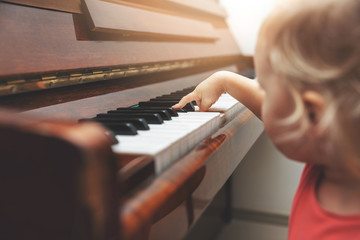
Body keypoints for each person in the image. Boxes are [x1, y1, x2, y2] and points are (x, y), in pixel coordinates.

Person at [173, 0, 360, 239]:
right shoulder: (334, 149)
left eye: (265, 88)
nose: (261, 95)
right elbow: (287, 114)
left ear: (313, 116)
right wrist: (225, 80)